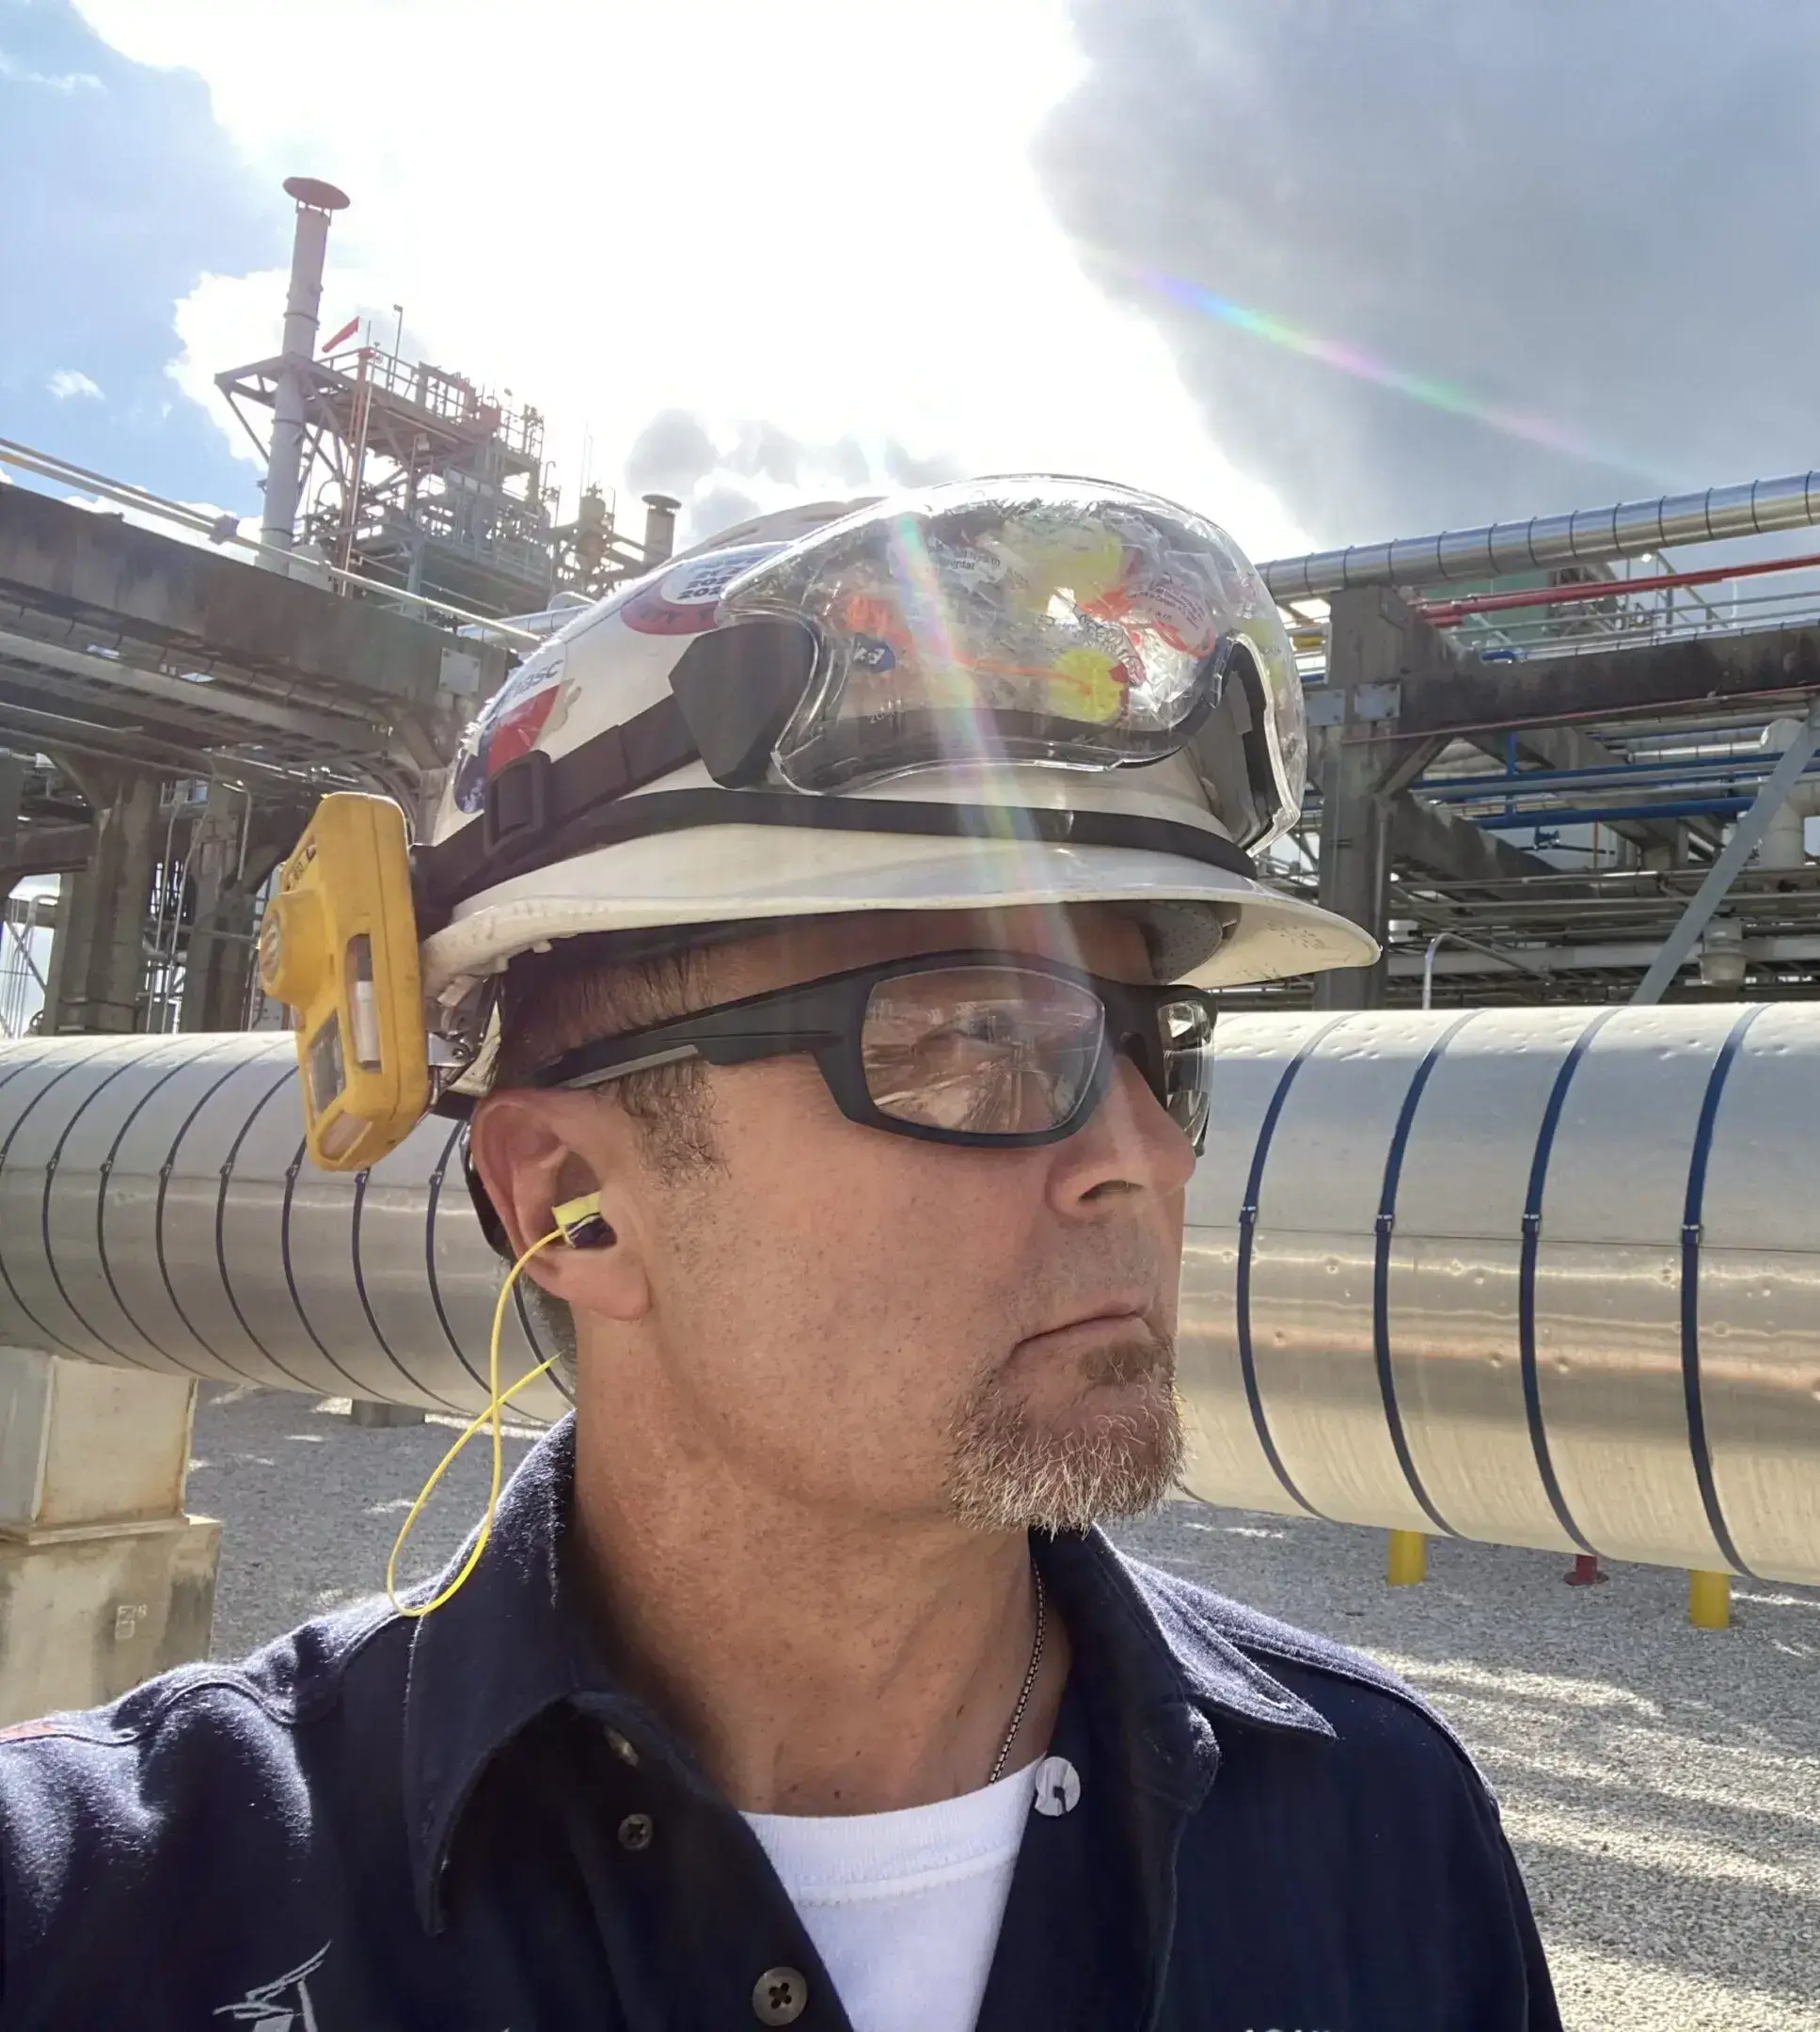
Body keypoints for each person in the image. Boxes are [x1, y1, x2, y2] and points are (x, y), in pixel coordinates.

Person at [0, 480, 1559, 2029]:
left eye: (1160, 1052)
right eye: (971, 1043)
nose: (1143, 1153)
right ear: (571, 1201)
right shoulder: (106, 1916)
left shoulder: (1385, 1836)